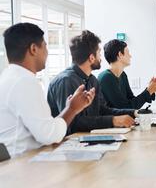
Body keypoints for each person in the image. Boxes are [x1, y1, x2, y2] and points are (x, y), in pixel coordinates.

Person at [0, 23, 95, 157]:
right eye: (45, 46)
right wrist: (72, 109)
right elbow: (49, 135)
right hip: (21, 166)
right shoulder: (24, 81)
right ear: (33, 49)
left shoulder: (9, 77)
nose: (47, 52)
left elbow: (45, 128)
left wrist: (69, 108)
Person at [47, 30, 136, 135]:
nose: (101, 56)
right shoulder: (66, 81)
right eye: (98, 52)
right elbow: (72, 124)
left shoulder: (92, 80)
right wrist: (113, 120)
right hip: (66, 144)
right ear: (91, 58)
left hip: (87, 139)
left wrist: (133, 112)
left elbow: (102, 110)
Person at [98, 39, 156, 110]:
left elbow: (132, 101)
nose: (130, 56)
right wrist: (149, 90)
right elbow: (125, 108)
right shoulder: (106, 78)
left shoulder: (122, 75)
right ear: (120, 55)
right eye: (128, 53)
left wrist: (150, 89)